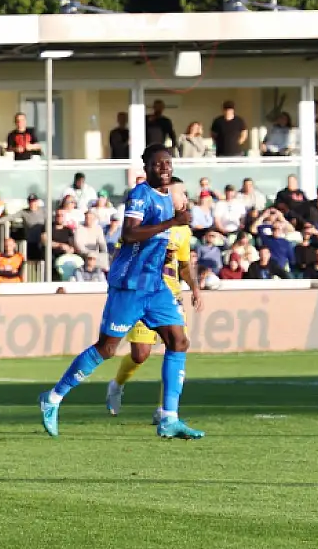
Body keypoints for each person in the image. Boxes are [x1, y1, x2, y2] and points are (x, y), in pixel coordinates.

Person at [40, 144, 202, 439]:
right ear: (146, 167)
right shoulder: (140, 195)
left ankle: (169, 417)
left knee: (178, 341)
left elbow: (152, 238)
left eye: (167, 164)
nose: (164, 168)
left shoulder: (167, 200)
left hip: (155, 285)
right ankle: (52, 398)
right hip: (129, 284)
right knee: (107, 348)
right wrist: (171, 223)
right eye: (157, 164)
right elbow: (129, 234)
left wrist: (163, 251)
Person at [106, 183, 204, 422]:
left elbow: (183, 264)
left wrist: (195, 288)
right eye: (180, 193)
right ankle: (116, 385)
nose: (184, 198)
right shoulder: (146, 222)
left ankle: (165, 410)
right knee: (140, 354)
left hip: (169, 293)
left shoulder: (183, 231)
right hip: (140, 289)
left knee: (178, 344)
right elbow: (121, 252)